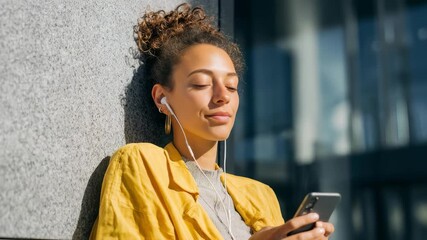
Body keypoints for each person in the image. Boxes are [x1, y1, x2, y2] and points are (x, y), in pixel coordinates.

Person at [90, 3, 335, 240]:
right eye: (201, 84)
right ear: (161, 98)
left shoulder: (261, 196)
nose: (222, 96)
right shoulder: (142, 165)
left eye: (231, 86)